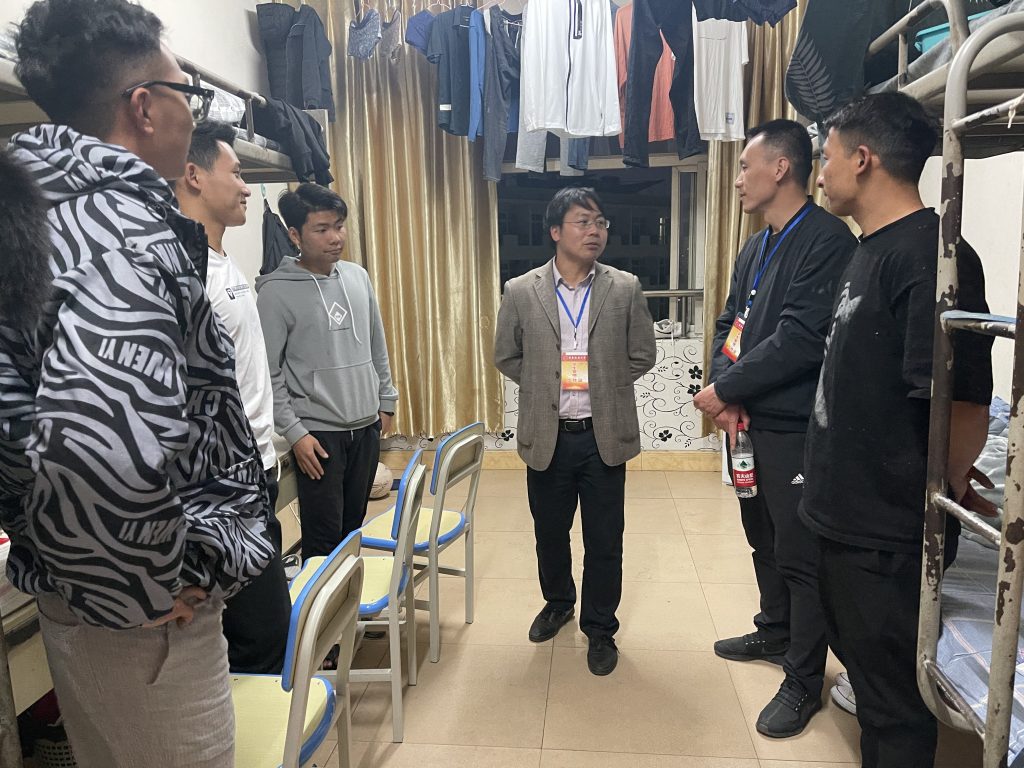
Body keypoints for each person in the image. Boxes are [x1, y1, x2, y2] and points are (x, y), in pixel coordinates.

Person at [1, 1, 275, 766]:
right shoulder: (121, 233)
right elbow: (99, 446)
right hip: (144, 625)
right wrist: (146, 587)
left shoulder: (40, 214)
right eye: (189, 94)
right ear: (144, 108)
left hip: (84, 593)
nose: (195, 113)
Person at [802, 92, 994, 768]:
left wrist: (948, 484)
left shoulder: (934, 256)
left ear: (863, 159)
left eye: (826, 158)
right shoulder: (871, 250)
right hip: (843, 517)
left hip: (885, 533)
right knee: (871, 683)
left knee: (895, 710)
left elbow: (964, 403)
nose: (821, 174)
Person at [694, 120, 857, 738]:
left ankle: (803, 677)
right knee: (761, 535)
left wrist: (727, 391)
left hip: (792, 427)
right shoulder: (757, 244)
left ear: (781, 168)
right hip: (747, 422)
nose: (738, 179)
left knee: (799, 551)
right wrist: (726, 392)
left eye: (744, 166)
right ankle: (775, 631)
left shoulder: (825, 241)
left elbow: (801, 338)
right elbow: (730, 324)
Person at [494, 186, 657, 676]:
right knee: (550, 533)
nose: (595, 231)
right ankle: (558, 602)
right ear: (555, 231)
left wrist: (604, 384)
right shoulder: (520, 290)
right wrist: (545, 383)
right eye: (583, 221)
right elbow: (506, 355)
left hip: (603, 435)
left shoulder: (624, 287)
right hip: (548, 435)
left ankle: (601, 627)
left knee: (605, 540)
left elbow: (642, 354)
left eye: (600, 222)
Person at [175, 120, 291, 674]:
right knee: (262, 634)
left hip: (259, 467)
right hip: (225, 484)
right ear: (194, 176)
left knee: (260, 628)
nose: (247, 187)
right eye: (237, 172)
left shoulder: (223, 262)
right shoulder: (188, 275)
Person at [256, 183, 398, 560]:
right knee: (323, 541)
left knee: (352, 531)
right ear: (295, 235)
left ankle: (348, 599)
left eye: (339, 226)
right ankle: (319, 601)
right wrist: (295, 432)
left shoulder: (357, 276)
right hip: (318, 436)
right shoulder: (275, 293)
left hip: (365, 426)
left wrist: (386, 400)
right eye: (322, 229)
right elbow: (269, 373)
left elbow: (376, 343)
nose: (336, 237)